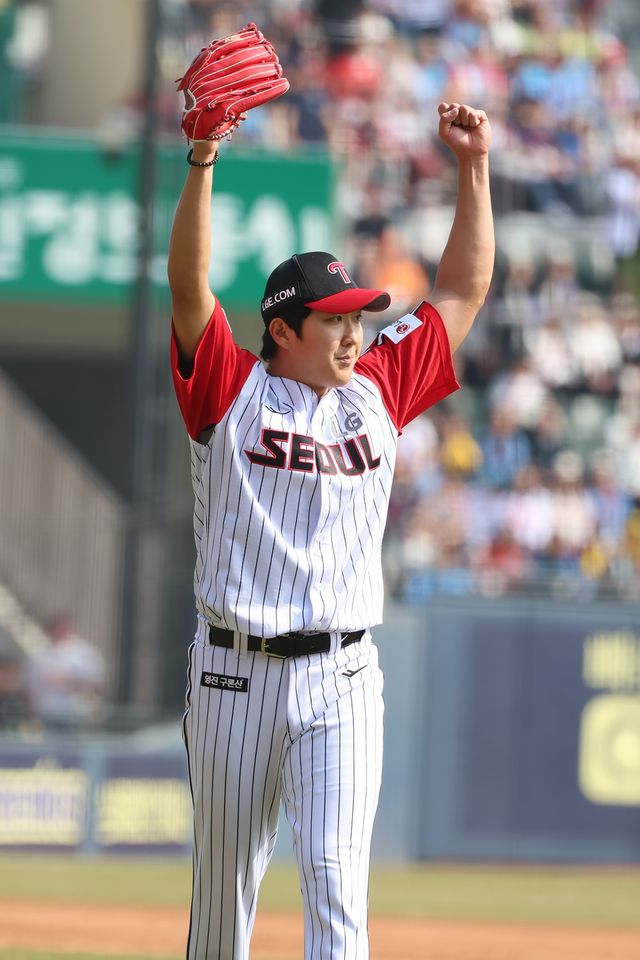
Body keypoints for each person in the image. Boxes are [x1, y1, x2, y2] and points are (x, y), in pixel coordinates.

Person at [167, 83, 494, 959]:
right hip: (233, 674)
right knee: (222, 901)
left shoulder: (377, 390)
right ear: (282, 330)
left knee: (336, 881)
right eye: (335, 321)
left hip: (343, 674)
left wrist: (474, 170)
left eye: (359, 320)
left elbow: (461, 290)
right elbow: (189, 287)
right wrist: (202, 158)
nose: (355, 336)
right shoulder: (229, 389)